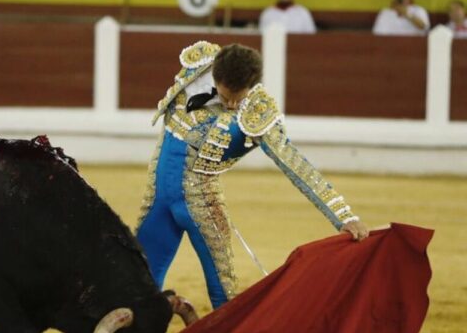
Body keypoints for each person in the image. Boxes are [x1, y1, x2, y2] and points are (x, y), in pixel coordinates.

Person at [135, 42, 368, 309]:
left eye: (240, 97)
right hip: (158, 201)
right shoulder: (196, 68)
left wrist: (344, 217)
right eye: (225, 97)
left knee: (224, 294)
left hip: (204, 208)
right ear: (215, 78)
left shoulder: (258, 113)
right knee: (139, 283)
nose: (233, 105)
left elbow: (295, 164)